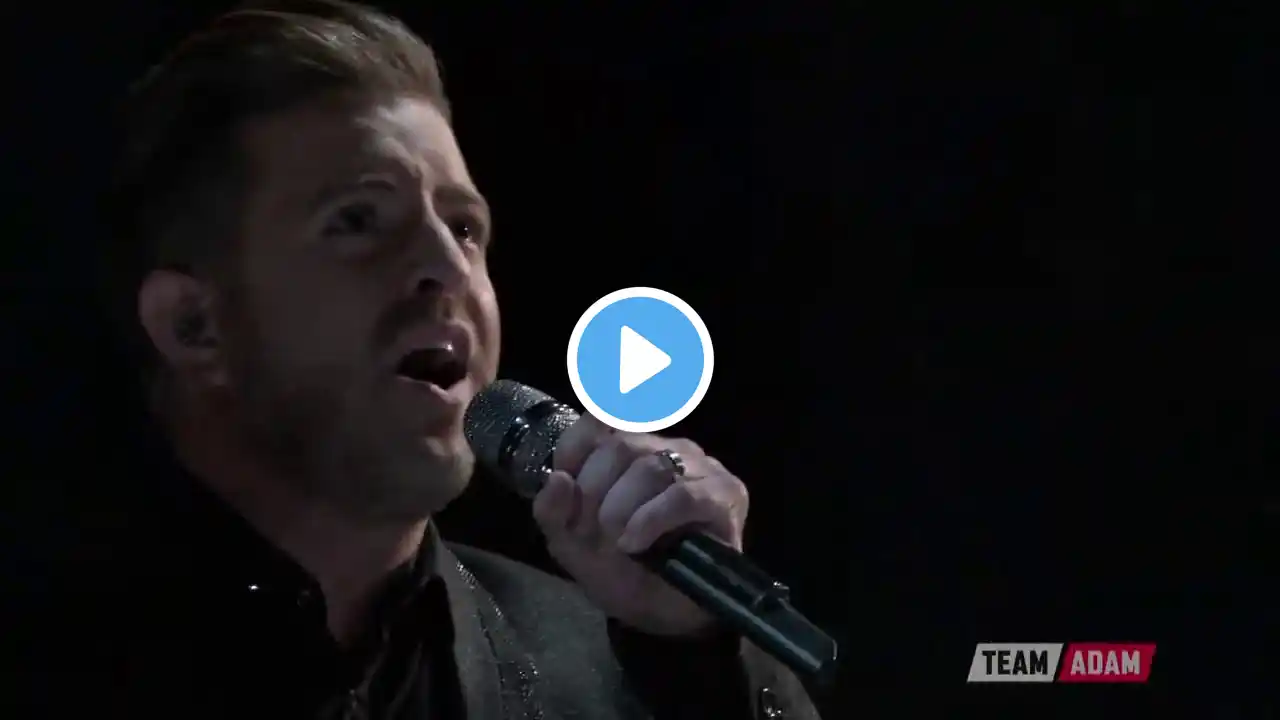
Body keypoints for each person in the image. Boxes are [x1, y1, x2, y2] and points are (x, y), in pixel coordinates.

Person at [15, 2, 823, 718]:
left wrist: (695, 656)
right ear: (195, 325)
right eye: (358, 220)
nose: (447, 266)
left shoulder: (604, 669)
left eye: (465, 228)